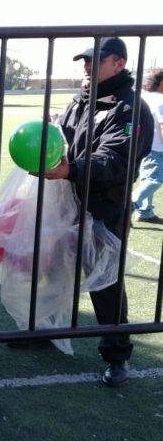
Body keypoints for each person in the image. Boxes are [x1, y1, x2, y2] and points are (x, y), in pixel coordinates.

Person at [44, 37, 154, 387]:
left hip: (104, 209)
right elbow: (64, 140)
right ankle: (45, 329)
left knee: (105, 282)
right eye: (85, 60)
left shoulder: (130, 108)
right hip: (66, 203)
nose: (87, 66)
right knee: (52, 269)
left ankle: (117, 354)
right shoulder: (80, 102)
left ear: (119, 63)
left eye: (96, 60)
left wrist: (72, 169)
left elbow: (116, 160)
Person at [131, 68, 163, 224]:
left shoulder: (142, 98)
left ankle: (145, 211)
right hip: (157, 147)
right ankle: (127, 206)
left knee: (147, 178)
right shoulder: (161, 101)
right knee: (155, 180)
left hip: (142, 145)